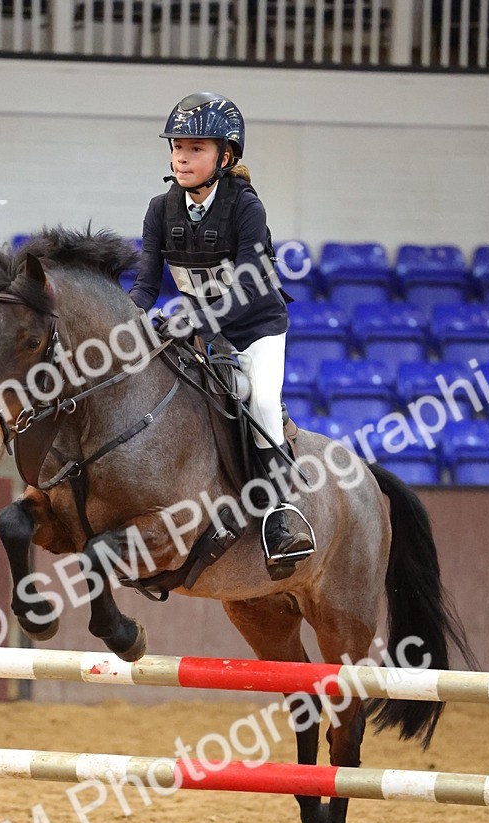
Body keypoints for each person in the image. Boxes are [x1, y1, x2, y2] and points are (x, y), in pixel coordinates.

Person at [129, 91, 315, 568]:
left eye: (195, 149)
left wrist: (193, 319)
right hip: (205, 332)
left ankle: (281, 515)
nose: (181, 157)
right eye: (177, 147)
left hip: (256, 328)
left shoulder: (246, 208)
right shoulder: (159, 209)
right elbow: (145, 286)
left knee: (261, 401)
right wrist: (125, 322)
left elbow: (249, 287)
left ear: (225, 157)